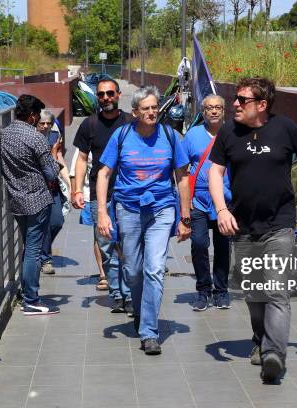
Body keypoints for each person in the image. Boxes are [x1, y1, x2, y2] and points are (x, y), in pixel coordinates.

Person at [209, 77, 297, 383]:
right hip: (243, 227)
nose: (234, 103)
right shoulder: (229, 132)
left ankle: (274, 354)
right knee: (253, 293)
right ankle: (260, 340)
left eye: (242, 100)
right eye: (236, 97)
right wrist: (221, 210)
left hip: (280, 225)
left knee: (276, 290)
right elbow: (215, 172)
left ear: (262, 105)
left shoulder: (285, 128)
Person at [96, 86, 191, 355]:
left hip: (162, 209)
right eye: (146, 108)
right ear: (135, 112)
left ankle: (149, 331)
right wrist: (103, 212)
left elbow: (182, 177)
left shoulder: (171, 137)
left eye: (154, 107)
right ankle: (139, 310)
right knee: (134, 271)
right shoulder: (123, 135)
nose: (152, 112)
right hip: (128, 209)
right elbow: (104, 174)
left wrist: (185, 217)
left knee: (154, 268)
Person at [72, 78, 134, 313]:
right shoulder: (89, 124)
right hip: (101, 195)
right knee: (106, 245)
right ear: (96, 97)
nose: (106, 98)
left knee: (127, 245)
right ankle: (117, 293)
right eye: (101, 94)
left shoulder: (130, 122)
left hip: (129, 194)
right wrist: (77, 189)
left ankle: (128, 292)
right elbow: (81, 158)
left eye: (110, 93)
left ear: (118, 95)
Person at [0, 94, 61, 316]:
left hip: (16, 199)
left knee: (28, 248)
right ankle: (31, 300)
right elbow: (52, 172)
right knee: (34, 251)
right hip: (37, 200)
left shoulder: (3, 134)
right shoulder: (35, 138)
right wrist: (53, 153)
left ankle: (27, 292)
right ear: (33, 116)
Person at [181, 94, 232, 311]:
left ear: (223, 111)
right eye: (209, 108)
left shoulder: (233, 134)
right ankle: (203, 290)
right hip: (199, 200)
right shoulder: (192, 135)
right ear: (203, 112)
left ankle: (221, 291)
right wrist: (184, 202)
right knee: (199, 244)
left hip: (225, 198)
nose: (213, 111)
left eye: (218, 108)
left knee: (222, 246)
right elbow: (182, 169)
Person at [36, 109, 70, 275]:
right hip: (38, 187)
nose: (45, 126)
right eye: (42, 123)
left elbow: (58, 158)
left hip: (53, 185)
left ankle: (44, 247)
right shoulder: (33, 139)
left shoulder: (54, 137)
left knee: (57, 221)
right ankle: (45, 259)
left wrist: (68, 180)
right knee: (43, 224)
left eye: (48, 123)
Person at [70, 149, 108, 290]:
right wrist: (75, 192)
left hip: (117, 193)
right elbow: (75, 169)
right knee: (99, 234)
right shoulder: (89, 138)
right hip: (90, 194)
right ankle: (103, 273)